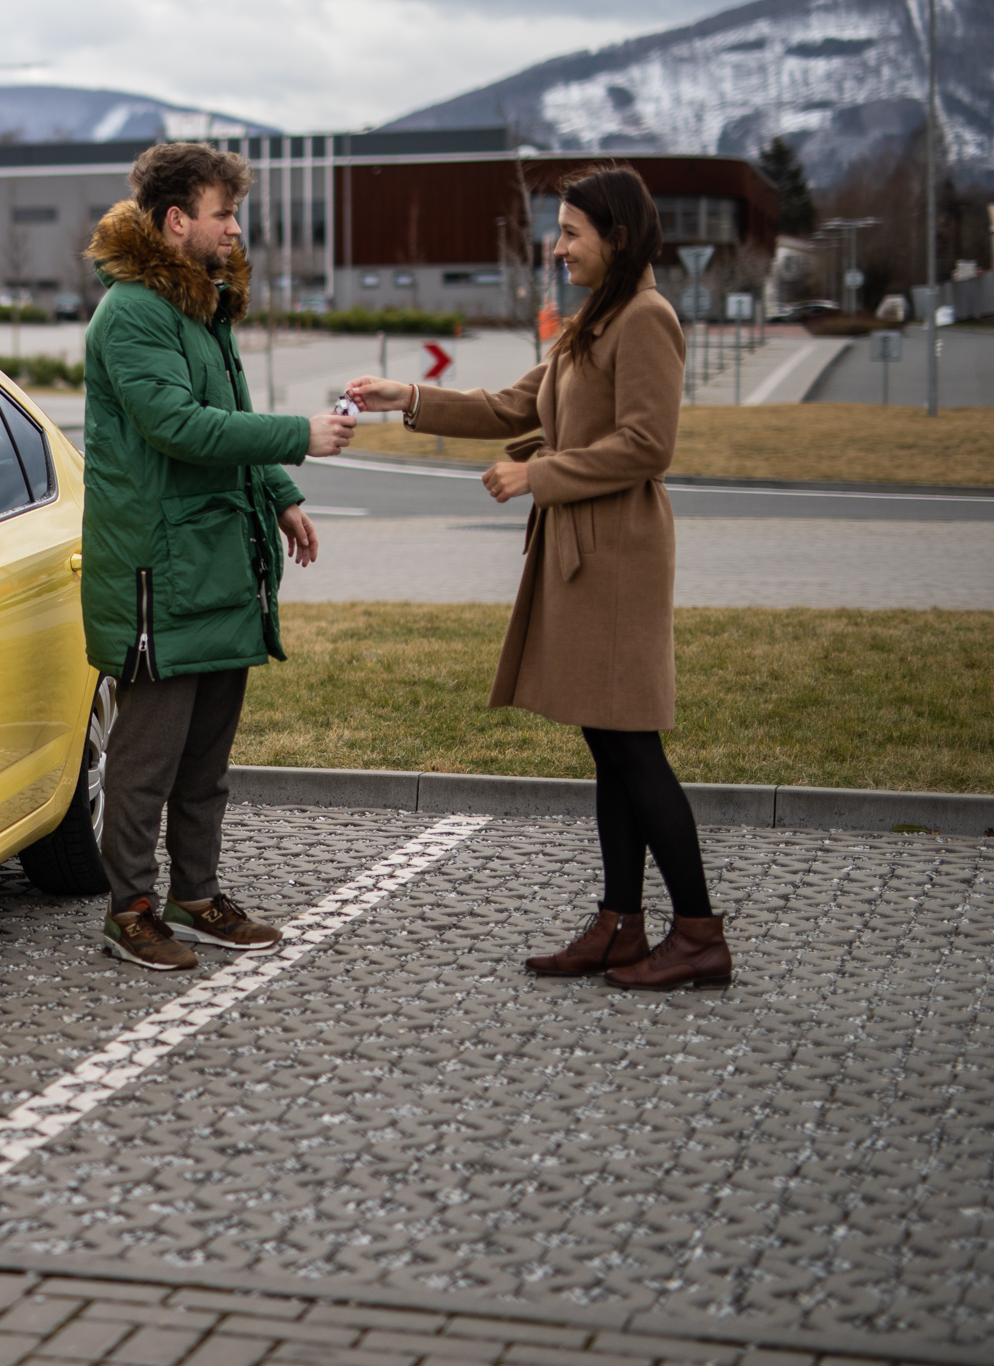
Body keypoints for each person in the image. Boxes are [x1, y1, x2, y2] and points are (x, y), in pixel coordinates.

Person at [344, 164, 730, 990]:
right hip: (582, 554)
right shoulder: (594, 320)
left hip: (618, 556)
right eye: (558, 231)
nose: (556, 248)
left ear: (617, 237)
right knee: (607, 739)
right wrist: (405, 395)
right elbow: (510, 406)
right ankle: (620, 924)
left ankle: (697, 931)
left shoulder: (646, 319)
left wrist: (540, 475)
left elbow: (647, 444)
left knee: (631, 742)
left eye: (571, 233)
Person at [80, 142, 354, 972]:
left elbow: (223, 408)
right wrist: (300, 437)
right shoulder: (133, 313)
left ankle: (193, 897)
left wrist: (278, 492)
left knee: (205, 761)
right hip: (158, 572)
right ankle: (128, 908)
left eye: (234, 213)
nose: (236, 228)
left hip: (216, 564)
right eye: (222, 214)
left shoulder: (204, 305)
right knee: (145, 761)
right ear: (176, 222)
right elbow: (180, 426)